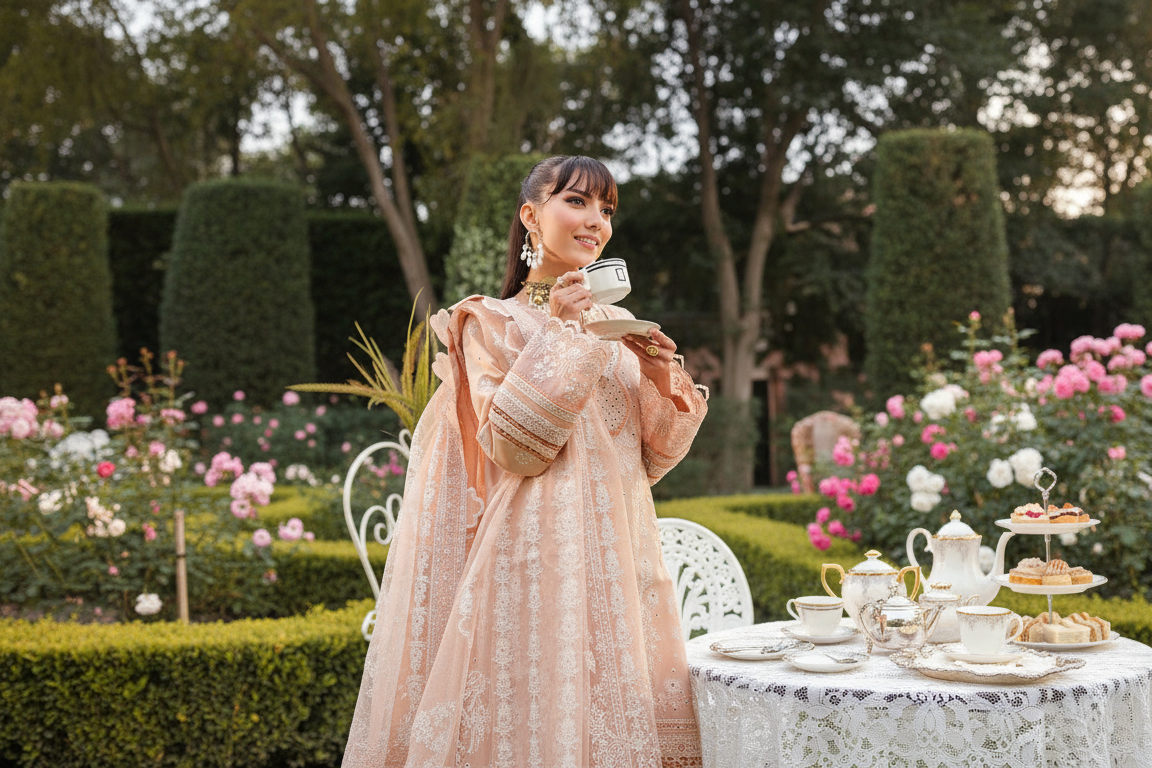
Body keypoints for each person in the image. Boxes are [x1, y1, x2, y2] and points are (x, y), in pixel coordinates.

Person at [342, 155, 709, 767]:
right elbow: (514, 447)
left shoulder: (618, 328)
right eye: (578, 202)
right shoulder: (490, 321)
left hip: (619, 557)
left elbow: (652, 457)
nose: (596, 221)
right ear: (530, 216)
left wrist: (659, 373)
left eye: (607, 209)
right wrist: (563, 333)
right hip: (534, 563)